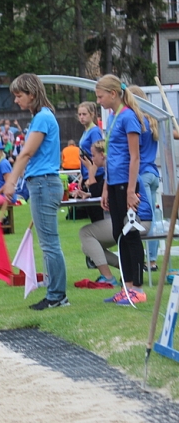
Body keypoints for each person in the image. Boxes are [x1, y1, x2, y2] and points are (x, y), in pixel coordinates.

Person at [3, 73, 68, 311]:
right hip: (42, 184)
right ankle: (55, 292)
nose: (17, 101)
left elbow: (26, 154)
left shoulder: (42, 118)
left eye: (19, 96)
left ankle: (57, 295)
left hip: (42, 184)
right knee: (49, 243)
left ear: (32, 94)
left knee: (50, 244)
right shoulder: (44, 117)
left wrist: (10, 181)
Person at [96, 74, 147, 305]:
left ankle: (138, 288)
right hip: (115, 183)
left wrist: (131, 190)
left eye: (100, 96)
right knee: (119, 234)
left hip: (127, 183)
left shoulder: (128, 117)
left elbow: (134, 157)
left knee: (130, 233)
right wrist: (106, 187)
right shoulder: (114, 118)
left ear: (113, 94)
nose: (99, 101)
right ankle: (126, 288)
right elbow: (110, 158)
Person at [77, 140, 152, 287]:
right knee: (87, 246)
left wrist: (91, 172)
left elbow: (98, 189)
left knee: (86, 233)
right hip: (134, 217)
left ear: (103, 155)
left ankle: (110, 277)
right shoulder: (111, 173)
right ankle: (127, 269)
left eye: (93, 155)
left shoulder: (119, 172)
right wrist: (89, 194)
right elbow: (100, 193)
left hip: (139, 220)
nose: (92, 159)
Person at [128, 85, 161, 273]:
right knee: (154, 218)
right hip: (154, 174)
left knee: (145, 219)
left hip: (142, 175)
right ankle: (153, 260)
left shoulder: (138, 123)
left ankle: (147, 259)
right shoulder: (153, 121)